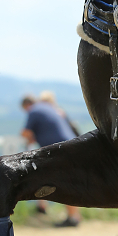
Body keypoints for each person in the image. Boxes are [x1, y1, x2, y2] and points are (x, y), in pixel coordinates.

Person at [21, 95, 81, 227]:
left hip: (59, 149)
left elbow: (25, 133)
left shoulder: (33, 110)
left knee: (63, 181)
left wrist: (28, 137)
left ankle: (71, 218)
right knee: (66, 180)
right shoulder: (49, 108)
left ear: (26, 106)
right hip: (69, 145)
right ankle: (74, 216)